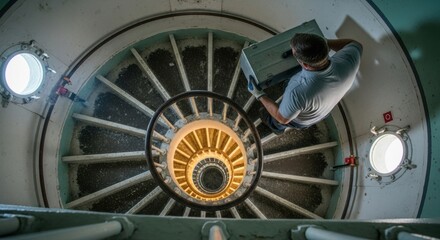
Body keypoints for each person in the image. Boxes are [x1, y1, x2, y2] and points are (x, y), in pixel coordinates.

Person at [248, 33, 363, 134]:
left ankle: (275, 127)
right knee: (290, 92)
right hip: (323, 109)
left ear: (305, 64)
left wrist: (259, 95)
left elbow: (282, 118)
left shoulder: (297, 91)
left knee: (278, 122)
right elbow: (355, 44)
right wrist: (325, 42)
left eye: (294, 54)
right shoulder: (348, 61)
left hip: (303, 119)